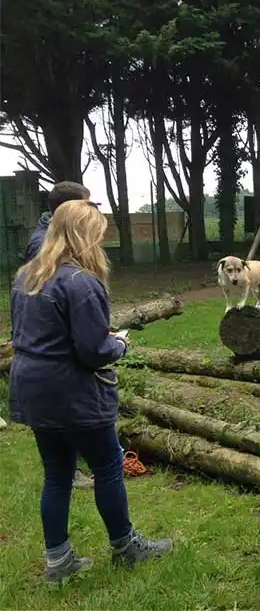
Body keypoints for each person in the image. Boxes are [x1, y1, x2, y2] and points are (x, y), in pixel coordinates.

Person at [9, 199, 173, 585]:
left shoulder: (26, 276)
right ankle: (125, 547)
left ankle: (58, 561)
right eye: (97, 233)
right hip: (73, 391)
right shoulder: (81, 282)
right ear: (84, 235)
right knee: (108, 465)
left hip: (33, 388)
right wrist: (120, 344)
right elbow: (93, 351)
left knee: (56, 474)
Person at [23, 181, 96, 490]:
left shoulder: (56, 236)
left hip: (54, 351)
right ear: (70, 209)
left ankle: (70, 469)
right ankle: (74, 470)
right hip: (55, 353)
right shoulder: (44, 244)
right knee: (66, 415)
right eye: (85, 205)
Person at [24, 181, 92, 263]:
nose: (89, 210)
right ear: (68, 208)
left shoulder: (64, 234)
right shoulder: (45, 245)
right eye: (85, 206)